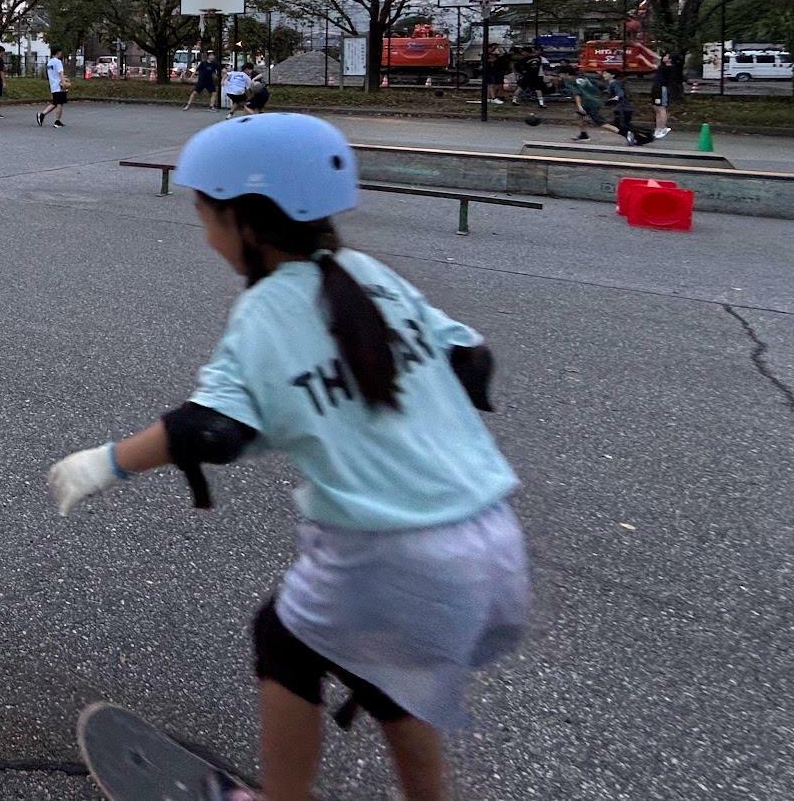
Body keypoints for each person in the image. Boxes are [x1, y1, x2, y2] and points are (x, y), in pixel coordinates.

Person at [47, 114, 527, 801]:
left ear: (243, 220)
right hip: (494, 538)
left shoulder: (268, 311)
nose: (204, 232)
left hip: (391, 554)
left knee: (284, 641)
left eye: (205, 215)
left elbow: (208, 431)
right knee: (388, 672)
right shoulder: (368, 275)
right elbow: (470, 361)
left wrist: (102, 464)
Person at [650, 55, 679, 140]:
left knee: (661, 108)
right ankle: (658, 128)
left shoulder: (669, 68)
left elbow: (653, 65)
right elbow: (656, 58)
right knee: (656, 107)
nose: (664, 57)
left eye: (666, 56)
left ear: (670, 59)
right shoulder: (664, 67)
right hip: (657, 88)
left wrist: (642, 57)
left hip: (662, 89)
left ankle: (663, 128)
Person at [38, 52, 69, 127]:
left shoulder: (49, 62)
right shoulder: (58, 62)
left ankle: (42, 115)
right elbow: (60, 73)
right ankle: (57, 121)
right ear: (58, 52)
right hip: (59, 86)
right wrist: (64, 83)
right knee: (60, 103)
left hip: (53, 85)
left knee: (55, 103)